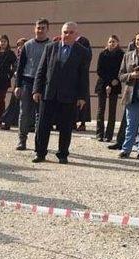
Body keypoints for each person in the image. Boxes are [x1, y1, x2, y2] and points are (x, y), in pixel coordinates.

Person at [32, 22, 90, 164]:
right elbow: (41, 70)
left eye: (71, 32)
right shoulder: (50, 47)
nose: (67, 35)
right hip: (48, 93)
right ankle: (40, 153)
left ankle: (62, 154)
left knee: (65, 127)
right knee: (43, 126)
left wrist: (82, 97)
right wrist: (36, 90)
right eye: (65, 32)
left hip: (69, 95)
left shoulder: (82, 52)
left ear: (76, 35)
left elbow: (83, 76)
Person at [109, 21, 139, 151]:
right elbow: (122, 74)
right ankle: (125, 148)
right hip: (132, 93)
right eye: (137, 39)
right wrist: (132, 75)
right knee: (130, 123)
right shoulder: (129, 53)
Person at [14, 19, 50, 149]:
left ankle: (38, 142)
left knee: (40, 114)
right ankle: (22, 140)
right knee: (24, 113)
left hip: (43, 84)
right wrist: (18, 85)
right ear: (35, 29)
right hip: (27, 82)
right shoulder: (27, 45)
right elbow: (20, 66)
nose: (40, 30)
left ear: (47, 29)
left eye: (43, 28)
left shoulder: (51, 46)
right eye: (38, 27)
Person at [94, 35, 124, 142]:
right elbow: (99, 70)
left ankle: (109, 135)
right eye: (110, 41)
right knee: (100, 110)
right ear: (107, 43)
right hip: (102, 84)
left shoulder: (121, 55)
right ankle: (99, 134)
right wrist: (107, 83)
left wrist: (113, 82)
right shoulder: (103, 54)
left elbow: (122, 69)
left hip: (115, 84)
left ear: (117, 43)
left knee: (112, 111)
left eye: (114, 42)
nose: (112, 43)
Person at [0, 37, 27, 130]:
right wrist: (12, 73)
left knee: (22, 104)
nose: (19, 47)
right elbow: (14, 67)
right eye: (18, 45)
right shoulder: (18, 57)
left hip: (25, 82)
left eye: (21, 45)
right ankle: (7, 121)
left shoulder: (27, 57)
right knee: (14, 102)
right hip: (18, 82)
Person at [74, 34, 93, 131]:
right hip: (72, 76)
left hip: (81, 75)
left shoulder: (84, 42)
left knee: (82, 99)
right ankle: (73, 121)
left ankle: (82, 122)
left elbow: (87, 58)